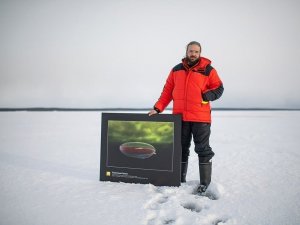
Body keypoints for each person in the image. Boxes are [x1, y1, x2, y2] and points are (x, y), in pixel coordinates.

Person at [148, 41, 224, 193]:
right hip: (180, 117)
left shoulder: (208, 70)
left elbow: (219, 88)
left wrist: (207, 95)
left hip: (200, 118)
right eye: (191, 51)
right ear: (186, 51)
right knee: (181, 149)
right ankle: (180, 178)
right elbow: (167, 91)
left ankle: (204, 183)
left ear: (200, 53)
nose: (193, 54)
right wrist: (158, 108)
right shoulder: (176, 70)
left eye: (196, 51)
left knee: (202, 149)